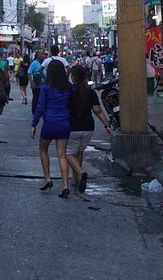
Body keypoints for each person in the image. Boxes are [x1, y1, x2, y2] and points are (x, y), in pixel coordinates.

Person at [30, 60, 73, 198]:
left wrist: (34, 124)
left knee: (43, 150)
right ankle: (65, 185)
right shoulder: (68, 87)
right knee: (62, 155)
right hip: (64, 122)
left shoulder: (45, 87)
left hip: (49, 122)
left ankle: (47, 178)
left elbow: (40, 107)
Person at [68, 64, 112, 192]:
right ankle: (74, 179)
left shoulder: (69, 91)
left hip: (72, 127)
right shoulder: (90, 92)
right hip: (88, 127)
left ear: (73, 77)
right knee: (80, 153)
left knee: (68, 154)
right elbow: (97, 111)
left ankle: (80, 173)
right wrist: (106, 125)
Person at [27, 50, 46, 114]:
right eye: (42, 54)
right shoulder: (34, 63)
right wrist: (31, 82)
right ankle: (34, 111)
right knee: (36, 97)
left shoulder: (45, 62)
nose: (44, 55)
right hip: (37, 82)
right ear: (38, 55)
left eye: (44, 54)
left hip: (44, 83)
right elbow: (29, 73)